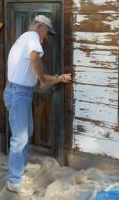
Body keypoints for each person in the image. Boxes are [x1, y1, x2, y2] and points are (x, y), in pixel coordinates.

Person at [4, 15, 71, 196]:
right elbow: (35, 59)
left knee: (27, 134)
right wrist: (42, 81)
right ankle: (14, 180)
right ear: (40, 27)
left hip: (20, 92)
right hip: (18, 94)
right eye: (47, 33)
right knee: (20, 138)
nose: (46, 37)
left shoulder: (24, 39)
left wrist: (58, 78)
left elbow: (34, 73)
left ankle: (19, 169)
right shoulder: (32, 37)